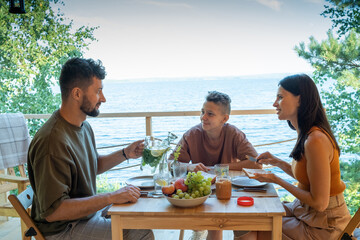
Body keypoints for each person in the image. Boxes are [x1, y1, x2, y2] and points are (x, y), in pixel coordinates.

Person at [27, 58, 154, 240]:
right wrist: (110, 196)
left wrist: (126, 153)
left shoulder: (82, 126)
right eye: (98, 91)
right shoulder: (52, 142)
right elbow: (54, 212)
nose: (103, 98)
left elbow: (92, 165)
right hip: (63, 229)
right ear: (77, 93)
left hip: (84, 216)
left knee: (137, 211)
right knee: (142, 234)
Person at [235, 74, 351, 240]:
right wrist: (277, 162)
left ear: (300, 100)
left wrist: (276, 179)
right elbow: (308, 178)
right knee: (249, 216)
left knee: (254, 225)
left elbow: (320, 203)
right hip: (305, 212)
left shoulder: (315, 140)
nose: (275, 103)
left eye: (280, 97)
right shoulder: (306, 133)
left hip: (325, 224)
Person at [170, 91, 261, 240]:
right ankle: (200, 229)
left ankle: (202, 230)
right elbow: (171, 163)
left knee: (226, 224)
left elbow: (255, 162)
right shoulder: (191, 135)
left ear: (224, 118)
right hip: (201, 193)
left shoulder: (234, 134)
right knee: (214, 227)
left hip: (229, 189)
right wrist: (189, 167)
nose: (203, 117)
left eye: (210, 114)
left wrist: (222, 167)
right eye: (202, 112)